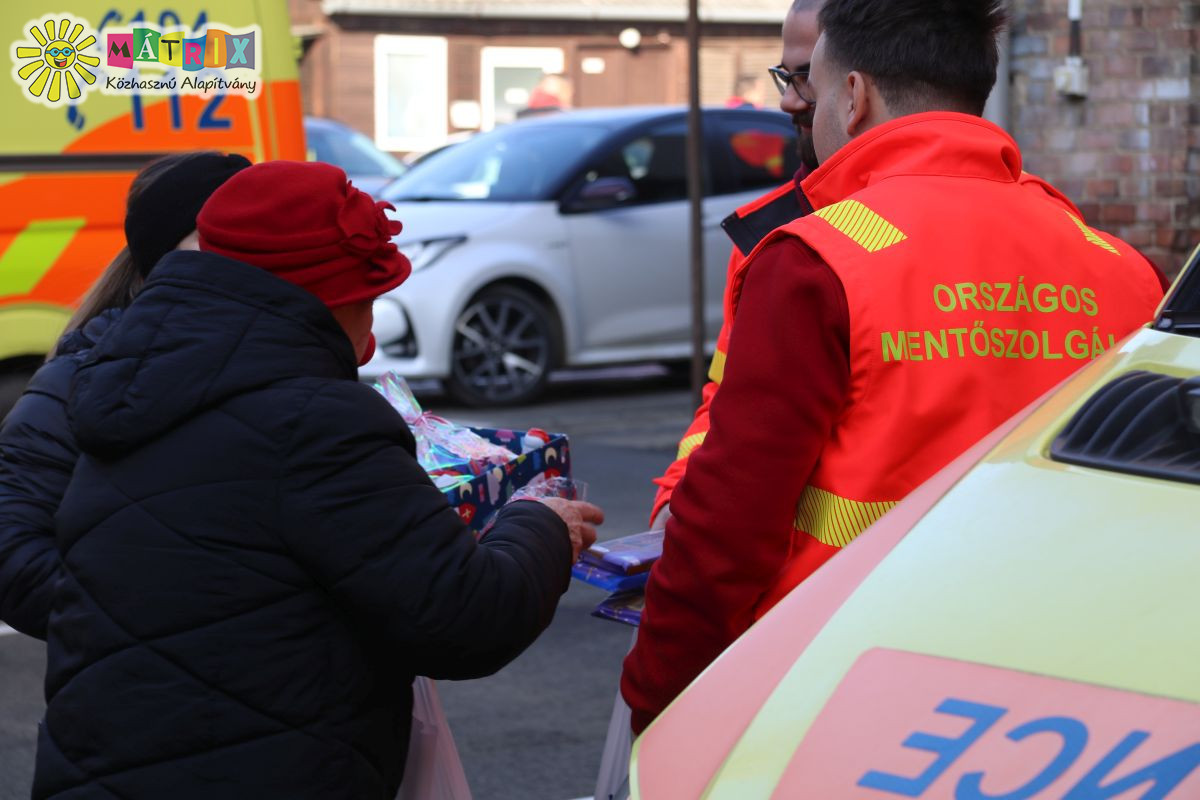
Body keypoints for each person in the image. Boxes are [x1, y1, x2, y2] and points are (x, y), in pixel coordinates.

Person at [623, 0, 1166, 735]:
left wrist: (658, 697)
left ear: (853, 96)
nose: (797, 102)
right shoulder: (1121, 270)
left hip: (838, 687)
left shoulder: (817, 257)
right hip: (1056, 687)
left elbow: (729, 526)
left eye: (807, 80)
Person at [32, 160, 603, 798]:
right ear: (328, 298)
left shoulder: (124, 382)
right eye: (370, 298)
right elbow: (466, 618)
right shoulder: (315, 421)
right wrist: (540, 522)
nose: (373, 328)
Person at [0, 151, 251, 640]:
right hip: (142, 702)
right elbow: (13, 554)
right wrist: (149, 628)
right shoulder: (76, 381)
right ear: (159, 266)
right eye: (217, 248)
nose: (242, 271)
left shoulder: (308, 369)